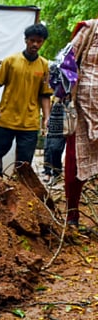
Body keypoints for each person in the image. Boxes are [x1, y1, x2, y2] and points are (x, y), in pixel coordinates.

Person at [0, 23, 54, 177]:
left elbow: (45, 95)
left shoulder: (44, 66)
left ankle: (18, 193)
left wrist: (47, 118)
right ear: (26, 40)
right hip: (5, 118)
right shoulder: (11, 61)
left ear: (43, 42)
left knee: (24, 164)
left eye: (39, 41)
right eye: (32, 40)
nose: (35, 44)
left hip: (29, 122)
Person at [64, 19, 98, 226]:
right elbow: (65, 62)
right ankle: (72, 216)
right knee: (74, 166)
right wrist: (70, 92)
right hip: (82, 114)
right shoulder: (90, 29)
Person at [42, 96, 67, 185]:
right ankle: (47, 172)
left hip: (66, 117)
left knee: (56, 149)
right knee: (49, 147)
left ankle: (56, 173)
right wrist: (46, 117)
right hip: (53, 117)